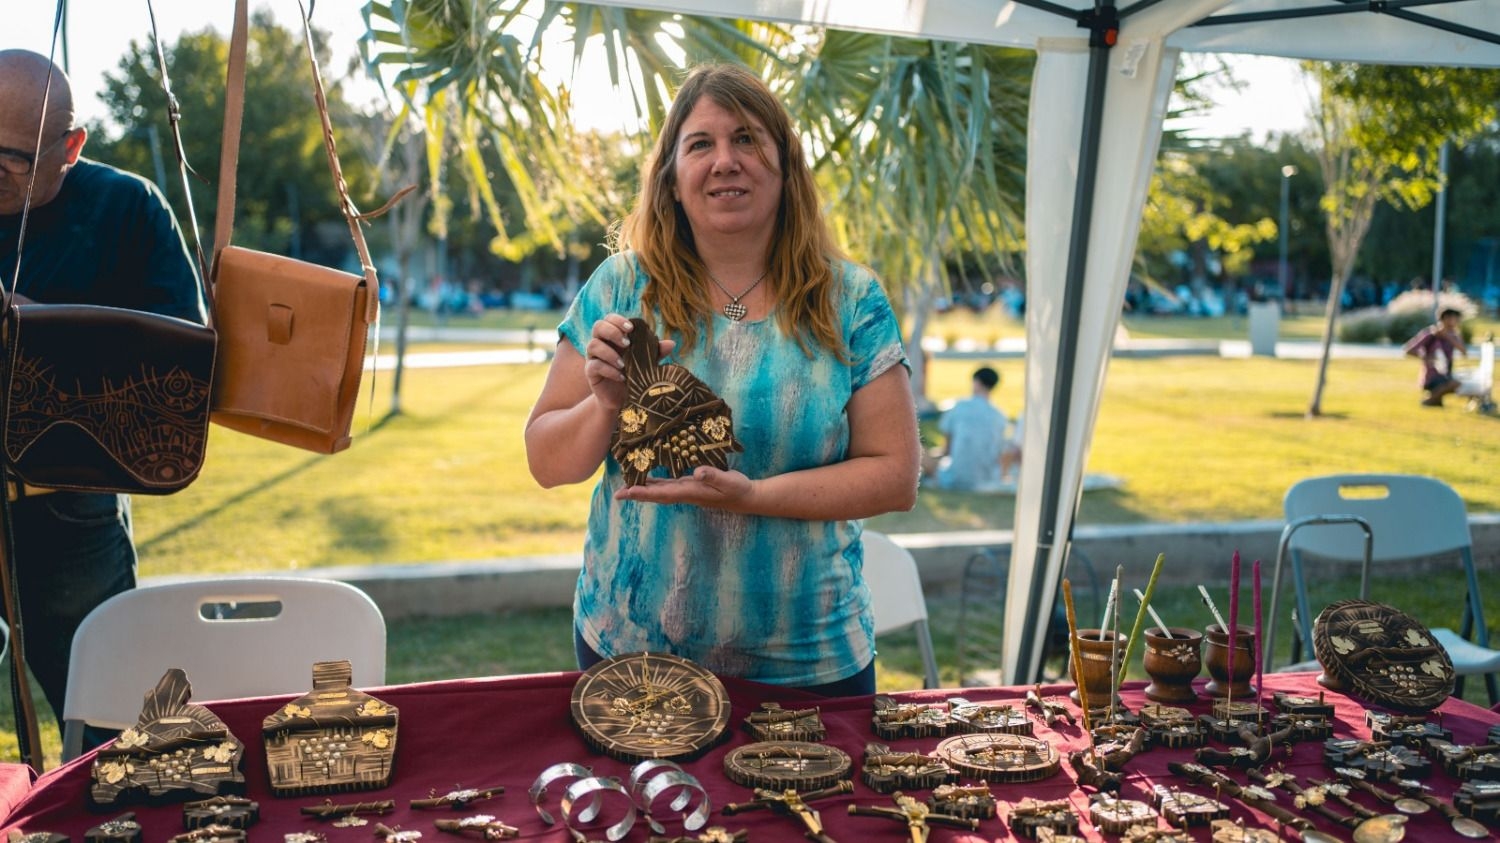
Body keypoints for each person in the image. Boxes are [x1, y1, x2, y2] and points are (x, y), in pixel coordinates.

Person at [524, 63, 920, 698]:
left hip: (809, 661)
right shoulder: (622, 286)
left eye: (747, 139)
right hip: (634, 658)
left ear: (785, 168)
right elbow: (547, 461)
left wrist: (750, 497)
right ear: (673, 180)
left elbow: (896, 475)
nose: (725, 161)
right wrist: (605, 407)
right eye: (700, 144)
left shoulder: (851, 298)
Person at [0, 50, 206, 729]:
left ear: (71, 145)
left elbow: (184, 371)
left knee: (112, 730)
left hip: (69, 512)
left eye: (14, 155)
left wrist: (29, 326)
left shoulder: (129, 209)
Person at [924, 367, 1009, 491]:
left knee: (919, 451)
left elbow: (946, 450)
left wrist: (932, 456)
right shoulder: (1000, 416)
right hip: (986, 479)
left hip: (956, 479)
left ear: (976, 382)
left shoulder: (959, 406)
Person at [1403, 308, 1468, 407]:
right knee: (1455, 384)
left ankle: (1435, 399)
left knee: (1464, 381)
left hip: (1446, 374)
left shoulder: (1454, 336)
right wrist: (1425, 357)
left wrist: (1448, 336)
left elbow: (1463, 351)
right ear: (1446, 319)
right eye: (1455, 319)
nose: (1457, 322)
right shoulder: (1430, 334)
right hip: (1431, 376)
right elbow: (1408, 350)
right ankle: (1430, 399)